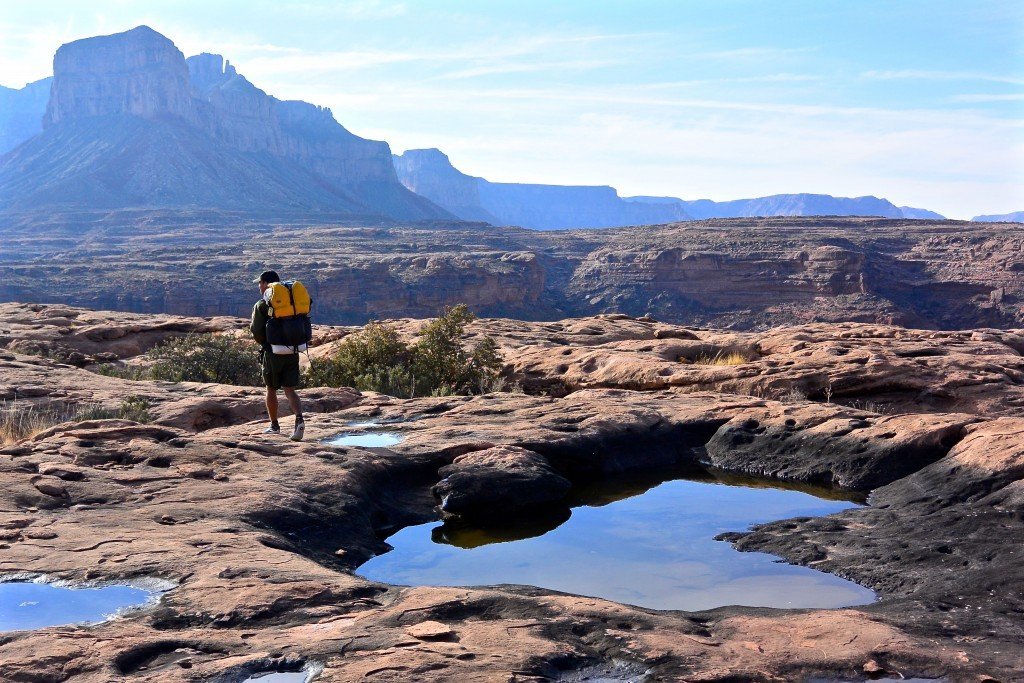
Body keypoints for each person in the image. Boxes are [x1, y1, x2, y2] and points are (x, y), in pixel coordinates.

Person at [250, 270, 305, 441]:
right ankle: (299, 419)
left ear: (266, 284)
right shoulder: (291, 302)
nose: (259, 286)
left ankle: (274, 426)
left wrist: (265, 344)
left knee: (271, 389)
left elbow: (256, 330)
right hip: (292, 350)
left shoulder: (262, 304)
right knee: (290, 390)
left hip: (273, 352)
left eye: (260, 283)